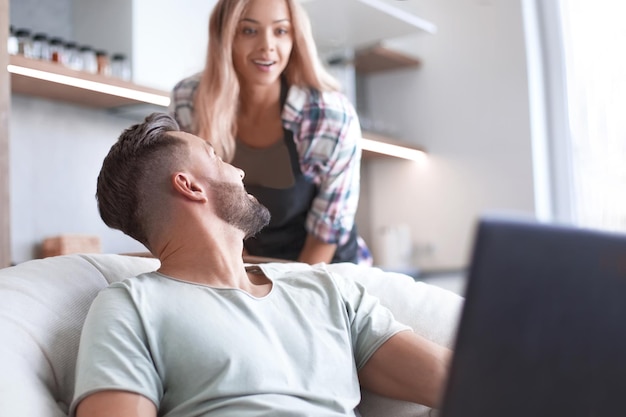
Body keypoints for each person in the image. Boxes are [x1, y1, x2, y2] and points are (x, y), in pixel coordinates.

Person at [70, 113, 450, 417]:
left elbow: (464, 383)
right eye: (215, 156)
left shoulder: (326, 289)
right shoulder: (132, 306)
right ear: (190, 186)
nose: (239, 171)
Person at [169, 0, 372, 265]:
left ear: (295, 39)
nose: (267, 46)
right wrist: (241, 273)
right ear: (225, 36)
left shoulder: (328, 116)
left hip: (323, 268)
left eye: (281, 31)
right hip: (242, 266)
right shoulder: (190, 101)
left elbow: (326, 234)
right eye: (249, 31)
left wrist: (286, 295)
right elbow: (194, 205)